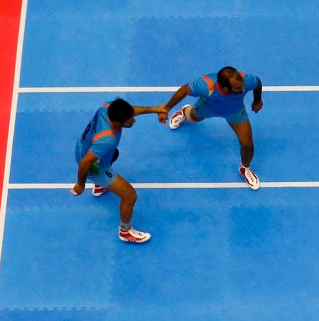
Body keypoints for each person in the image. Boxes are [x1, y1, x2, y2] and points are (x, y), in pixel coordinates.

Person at [158, 66, 264, 190]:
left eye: (242, 86)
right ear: (225, 89)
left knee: (247, 144)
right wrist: (166, 109)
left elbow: (257, 83)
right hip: (208, 108)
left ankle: (244, 168)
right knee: (193, 118)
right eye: (238, 88)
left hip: (234, 111)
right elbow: (183, 91)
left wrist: (257, 100)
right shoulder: (205, 86)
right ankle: (184, 112)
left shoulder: (245, 80)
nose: (243, 88)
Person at [71, 99, 160, 243]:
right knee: (130, 196)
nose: (134, 121)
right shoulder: (107, 140)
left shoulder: (107, 107)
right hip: (94, 165)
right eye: (130, 119)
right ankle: (125, 231)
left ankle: (101, 185)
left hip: (83, 147)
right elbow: (85, 162)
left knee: (115, 154)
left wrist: (155, 109)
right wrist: (80, 184)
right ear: (118, 122)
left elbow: (130, 110)